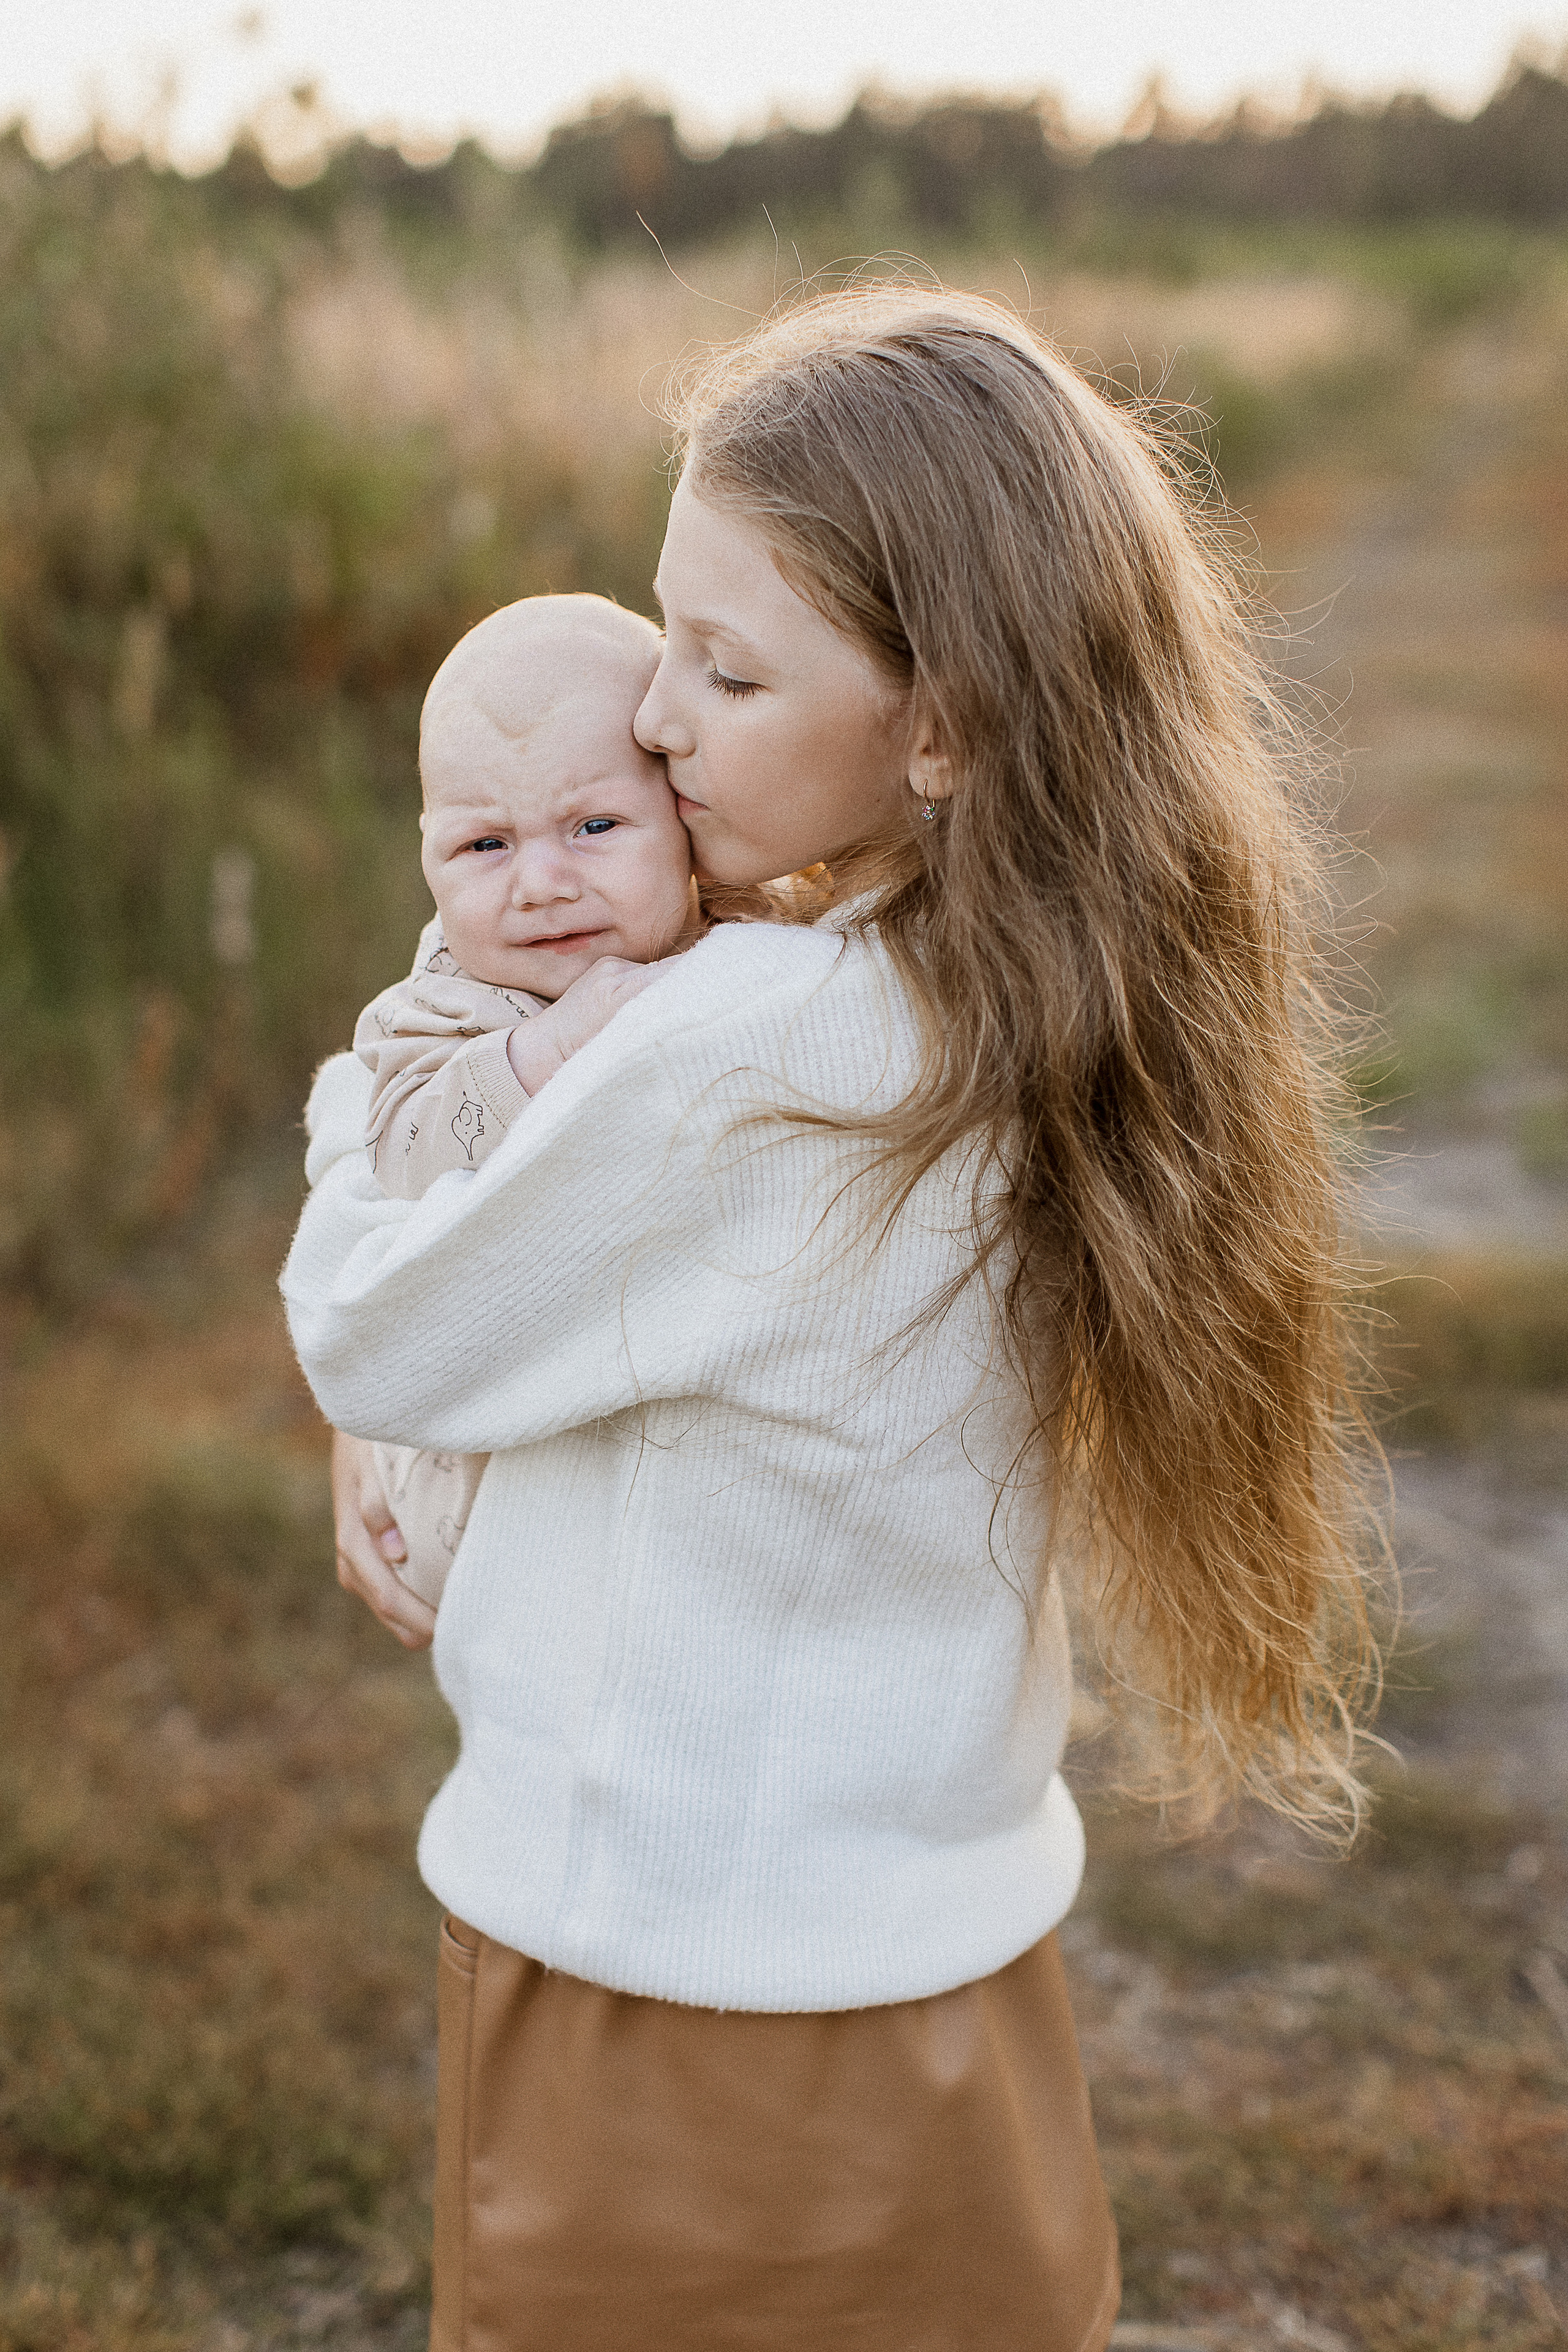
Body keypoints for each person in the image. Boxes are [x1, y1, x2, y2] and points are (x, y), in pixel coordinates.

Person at [282, 285, 1371, 2352]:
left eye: (725, 664)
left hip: (666, 1996)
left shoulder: (751, 1053)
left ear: (939, 724)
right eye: (661, 633)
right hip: (941, 1971)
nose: (658, 718)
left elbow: (379, 1329)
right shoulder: (999, 977)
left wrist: (395, 1084)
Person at [350, 593, 700, 1603]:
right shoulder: (442, 1003)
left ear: (684, 824)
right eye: (484, 846)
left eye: (594, 826)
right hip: (470, 1500)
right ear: (427, 855)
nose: (541, 882)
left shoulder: (727, 945)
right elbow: (399, 1155)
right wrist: (542, 1049)